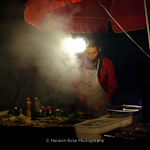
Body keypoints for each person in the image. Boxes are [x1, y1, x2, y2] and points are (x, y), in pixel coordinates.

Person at [72, 39, 118, 115]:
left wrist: (105, 99)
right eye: (87, 53)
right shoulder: (80, 62)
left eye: (94, 53)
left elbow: (113, 86)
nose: (90, 56)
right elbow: (73, 83)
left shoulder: (106, 63)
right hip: (83, 107)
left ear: (99, 49)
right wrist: (79, 94)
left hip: (101, 107)